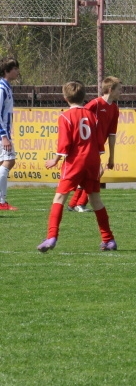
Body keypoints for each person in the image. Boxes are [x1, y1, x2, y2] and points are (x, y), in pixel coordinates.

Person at [37, 81, 116, 252]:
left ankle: (51, 237)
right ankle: (109, 239)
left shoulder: (65, 117)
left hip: (75, 162)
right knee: (95, 200)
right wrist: (99, 161)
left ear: (65, 98)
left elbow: (65, 144)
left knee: (59, 198)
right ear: (84, 97)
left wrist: (56, 160)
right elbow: (99, 141)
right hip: (92, 161)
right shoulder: (93, 116)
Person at [68, 76, 123, 212]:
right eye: (119, 89)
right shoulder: (95, 104)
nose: (121, 92)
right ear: (110, 89)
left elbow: (112, 134)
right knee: (95, 174)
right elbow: (79, 115)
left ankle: (73, 204)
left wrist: (111, 157)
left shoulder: (115, 109)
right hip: (87, 145)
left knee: (91, 174)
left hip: (97, 146)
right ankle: (79, 204)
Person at [0, 57, 20, 211]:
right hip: (2, 133)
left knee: (4, 163)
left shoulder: (6, 86)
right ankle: (1, 202)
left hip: (5, 132)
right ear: (7, 71)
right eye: (15, 68)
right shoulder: (2, 88)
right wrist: (4, 136)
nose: (17, 71)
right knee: (9, 161)